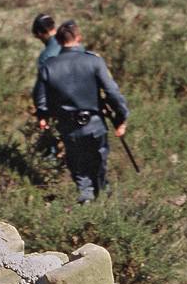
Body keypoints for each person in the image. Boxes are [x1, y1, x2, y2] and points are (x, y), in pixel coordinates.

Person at [32, 20, 129, 204]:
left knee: (78, 165)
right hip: (95, 124)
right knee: (99, 161)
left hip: (68, 126)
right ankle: (103, 198)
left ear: (58, 41)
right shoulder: (93, 61)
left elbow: (40, 99)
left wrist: (43, 117)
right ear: (79, 38)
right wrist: (121, 117)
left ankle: (86, 199)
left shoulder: (49, 66)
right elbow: (112, 92)